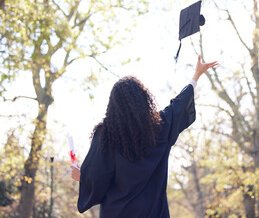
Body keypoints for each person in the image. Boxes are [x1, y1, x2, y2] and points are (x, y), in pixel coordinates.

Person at [71, 55, 218, 217]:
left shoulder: (106, 136)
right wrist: (196, 76)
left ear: (113, 105)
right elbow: (179, 105)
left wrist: (81, 177)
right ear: (144, 100)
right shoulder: (160, 128)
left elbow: (97, 178)